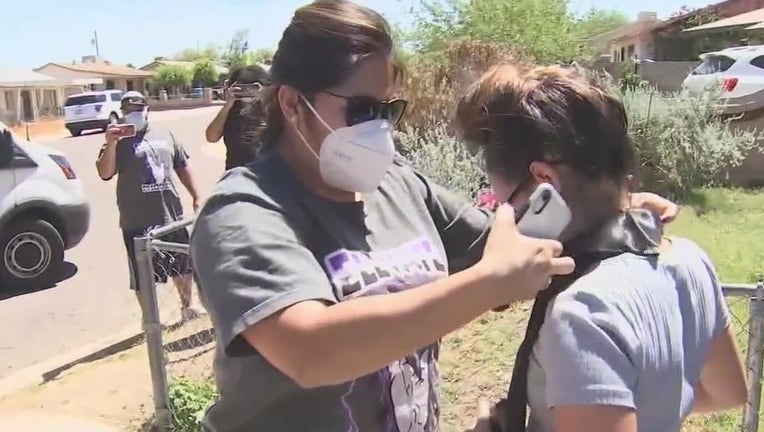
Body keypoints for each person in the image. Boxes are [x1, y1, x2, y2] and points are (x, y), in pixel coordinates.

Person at [190, 1, 679, 431]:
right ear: (294, 104)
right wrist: (490, 284)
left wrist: (608, 209)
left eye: (388, 109)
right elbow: (310, 352)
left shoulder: (399, 185)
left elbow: (512, 243)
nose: (380, 128)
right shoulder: (245, 210)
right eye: (362, 110)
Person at [453, 64, 747, 432]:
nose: (504, 215)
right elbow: (727, 393)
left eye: (505, 203)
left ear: (545, 181)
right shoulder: (690, 259)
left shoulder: (581, 315)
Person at [96, 91, 206, 322]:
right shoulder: (116, 139)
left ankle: (188, 307)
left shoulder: (165, 134)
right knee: (142, 274)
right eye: (128, 111)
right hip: (136, 220)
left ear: (147, 110)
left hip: (170, 215)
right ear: (122, 113)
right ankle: (151, 320)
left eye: (137, 110)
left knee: (182, 265)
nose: (133, 115)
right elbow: (104, 172)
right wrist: (111, 144)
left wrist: (196, 195)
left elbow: (182, 165)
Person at [204, 64, 271, 170]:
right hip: (236, 174)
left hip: (266, 175)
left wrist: (264, 99)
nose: (246, 91)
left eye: (252, 87)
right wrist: (228, 104)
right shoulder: (230, 112)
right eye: (242, 87)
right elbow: (211, 137)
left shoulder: (270, 110)